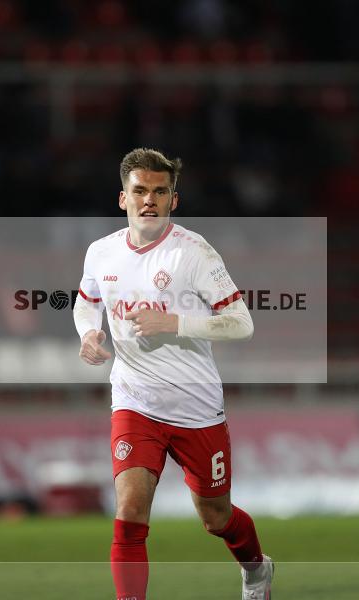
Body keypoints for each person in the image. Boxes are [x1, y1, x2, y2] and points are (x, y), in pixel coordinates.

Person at [73, 148, 273, 599]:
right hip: (134, 401)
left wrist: (175, 322)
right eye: (139, 190)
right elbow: (87, 302)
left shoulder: (194, 253)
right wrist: (89, 334)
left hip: (196, 408)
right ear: (122, 198)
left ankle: (256, 569)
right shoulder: (100, 253)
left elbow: (242, 322)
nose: (149, 200)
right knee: (130, 510)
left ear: (173, 200)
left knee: (215, 517)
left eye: (160, 191)